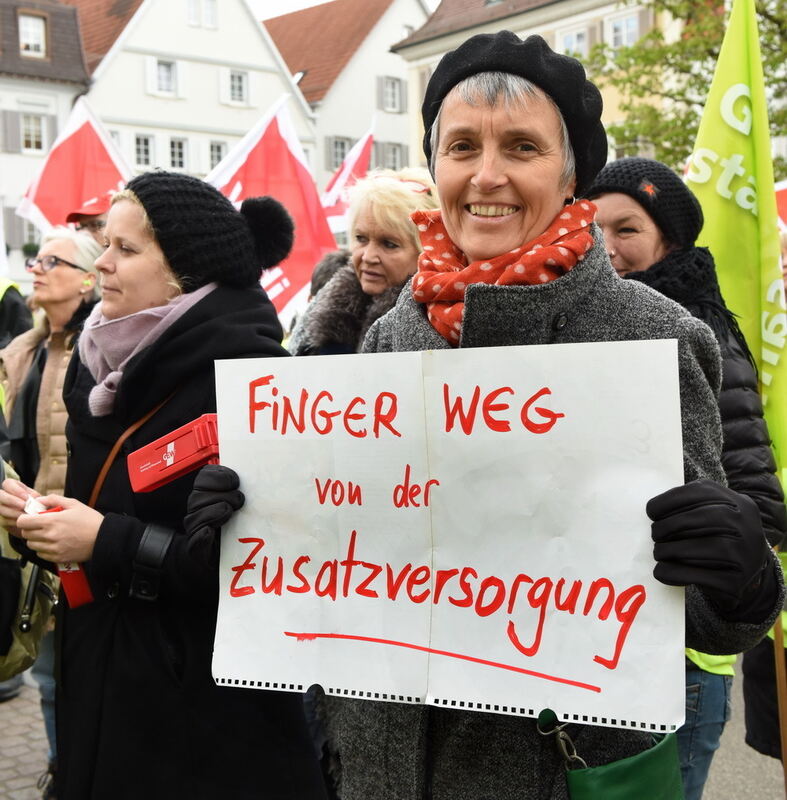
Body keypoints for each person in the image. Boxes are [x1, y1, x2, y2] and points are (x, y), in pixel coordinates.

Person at [289, 32, 781, 799]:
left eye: (521, 146)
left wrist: (742, 575)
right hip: (382, 771)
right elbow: (349, 545)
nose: (487, 175)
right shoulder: (389, 332)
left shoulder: (653, 336)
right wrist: (257, 518)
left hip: (555, 773)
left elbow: (709, 626)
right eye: (461, 146)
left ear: (571, 173)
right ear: (436, 165)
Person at [0, 172, 327, 800]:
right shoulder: (103, 368)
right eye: (106, 245)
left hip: (202, 714)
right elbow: (104, 515)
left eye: (127, 249)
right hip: (101, 673)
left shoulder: (255, 381)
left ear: (183, 269)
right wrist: (44, 521)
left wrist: (106, 540)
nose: (104, 265)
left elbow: (269, 577)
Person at [586, 157, 787, 799]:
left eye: (627, 230)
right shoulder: (578, 332)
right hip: (594, 640)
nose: (608, 248)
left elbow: (760, 508)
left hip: (684, 658)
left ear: (668, 241)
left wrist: (708, 536)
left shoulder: (701, 338)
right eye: (594, 230)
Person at [0, 226, 102, 797]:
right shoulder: (22, 352)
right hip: (31, 539)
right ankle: (63, 771)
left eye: (52, 260)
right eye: (36, 258)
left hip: (84, 539)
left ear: (86, 278)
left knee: (82, 671)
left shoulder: (100, 348)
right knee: (44, 674)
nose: (35, 268)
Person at [289, 168, 439, 356]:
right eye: (361, 239)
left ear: (426, 251)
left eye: (389, 244)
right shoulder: (321, 314)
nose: (368, 256)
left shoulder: (441, 324)